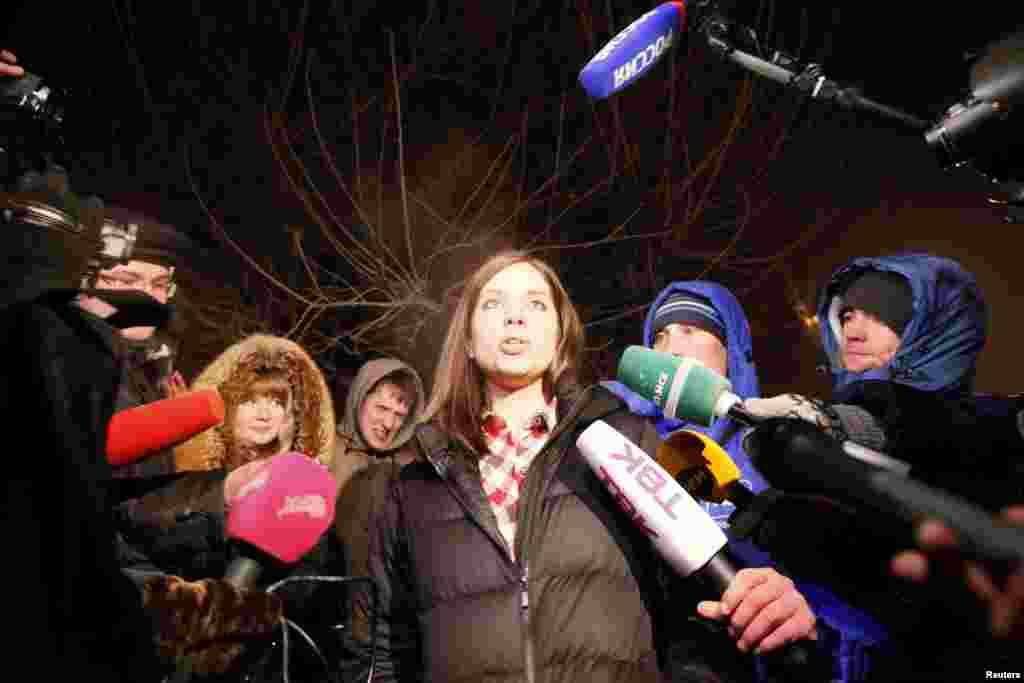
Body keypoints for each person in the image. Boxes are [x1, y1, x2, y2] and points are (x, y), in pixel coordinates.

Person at [342, 252, 819, 683]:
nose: (514, 315)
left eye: (535, 303)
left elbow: (696, 622)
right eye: (492, 304)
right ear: (466, 339)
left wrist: (762, 606)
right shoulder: (411, 484)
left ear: (560, 338)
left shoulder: (629, 442)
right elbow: (380, 654)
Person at [0, 163, 280, 681]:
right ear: (83, 281)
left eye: (159, 283)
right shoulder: (49, 355)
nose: (145, 298)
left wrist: (224, 489)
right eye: (127, 280)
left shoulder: (153, 372)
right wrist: (219, 499)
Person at [606, 281, 887, 683]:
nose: (671, 348)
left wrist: (810, 630)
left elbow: (856, 607)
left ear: (730, 351)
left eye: (691, 330)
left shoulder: (779, 452)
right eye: (660, 336)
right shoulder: (620, 442)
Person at [329, 357, 425, 493]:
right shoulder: (321, 453)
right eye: (382, 408)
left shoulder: (402, 475)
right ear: (359, 400)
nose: (389, 423)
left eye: (399, 415)